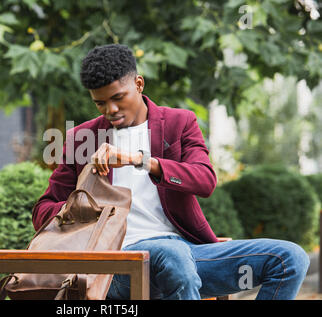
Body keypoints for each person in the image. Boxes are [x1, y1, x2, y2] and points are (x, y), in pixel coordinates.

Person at [32, 44, 310, 300]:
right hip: (117, 266)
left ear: (139, 84)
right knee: (172, 256)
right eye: (100, 103)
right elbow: (42, 210)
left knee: (290, 258)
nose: (111, 110)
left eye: (118, 98)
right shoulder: (83, 138)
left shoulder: (180, 123)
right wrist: (85, 204)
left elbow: (205, 180)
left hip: (190, 255)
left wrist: (140, 160)